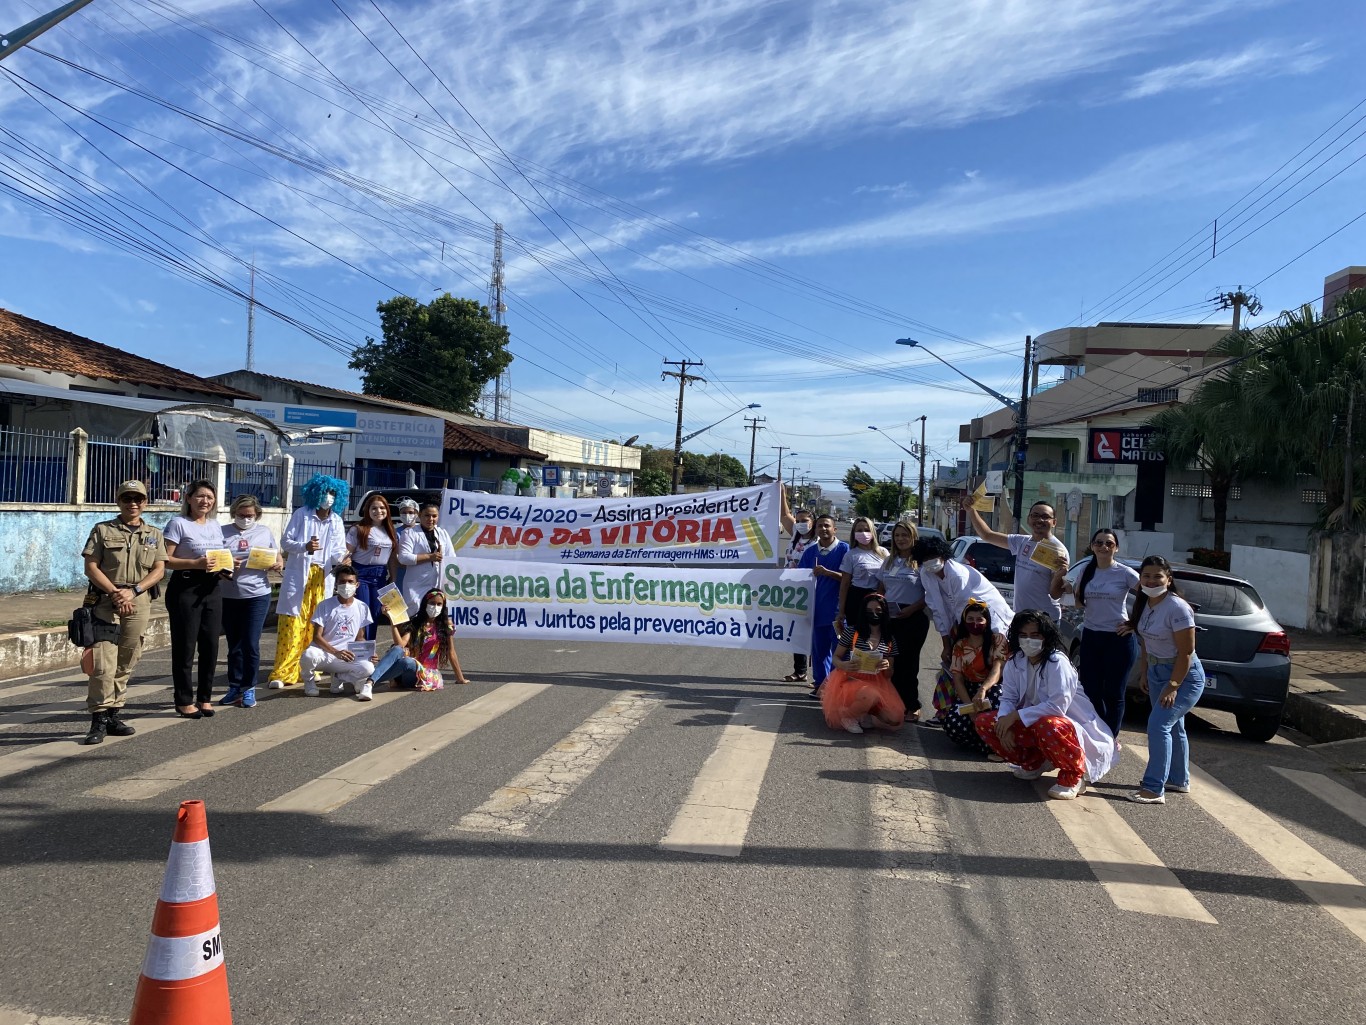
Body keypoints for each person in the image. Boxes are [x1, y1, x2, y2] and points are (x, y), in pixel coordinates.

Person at [973, 610, 1117, 800]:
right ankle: (1034, 763)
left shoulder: (1057, 663)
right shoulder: (1016, 661)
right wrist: (1004, 722)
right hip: (1036, 721)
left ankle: (1073, 775)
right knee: (986, 722)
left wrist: (1014, 717)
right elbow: (1008, 698)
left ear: (1046, 636)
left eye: (1035, 635)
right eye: (1023, 635)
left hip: (1069, 726)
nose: (1028, 640)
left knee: (1048, 724)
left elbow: (1057, 707)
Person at [79, 479, 167, 745]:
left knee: (127, 659)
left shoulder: (154, 534)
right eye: (127, 499)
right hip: (106, 601)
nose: (133, 503)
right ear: (118, 501)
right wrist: (116, 593)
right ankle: (98, 718)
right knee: (102, 663)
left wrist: (134, 591)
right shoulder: (103, 530)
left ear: (145, 503)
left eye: (138, 499)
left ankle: (115, 713)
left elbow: (159, 570)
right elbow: (91, 566)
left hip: (138, 601)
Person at [1126, 555, 1205, 805]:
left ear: (1168, 580)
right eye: (1146, 576)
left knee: (1158, 725)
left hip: (1183, 676)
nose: (1151, 580)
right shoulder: (1144, 604)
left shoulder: (1177, 608)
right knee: (1174, 726)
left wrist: (1173, 686)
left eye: (1157, 576)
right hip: (1158, 673)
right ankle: (1178, 780)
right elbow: (1147, 641)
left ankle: (1153, 788)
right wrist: (1146, 670)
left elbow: (1186, 653)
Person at [267, 474, 349, 689]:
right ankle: (284, 671)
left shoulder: (337, 521)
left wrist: (342, 558)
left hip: (322, 577)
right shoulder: (302, 514)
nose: (328, 497)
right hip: (301, 574)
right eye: (325, 493)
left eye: (332, 494)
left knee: (316, 623)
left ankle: (309, 668)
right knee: (293, 623)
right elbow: (286, 542)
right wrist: (305, 546)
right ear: (316, 493)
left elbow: (339, 549)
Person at [1062, 528, 1140, 738]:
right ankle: (1094, 734)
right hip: (1091, 636)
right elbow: (1079, 604)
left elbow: (1149, 596)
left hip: (1119, 638)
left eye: (1109, 543)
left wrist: (1135, 623)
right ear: (1092, 546)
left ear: (1116, 548)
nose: (1104, 547)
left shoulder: (1124, 573)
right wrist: (1068, 591)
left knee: (1114, 693)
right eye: (1099, 543)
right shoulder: (1086, 570)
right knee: (1090, 691)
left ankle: (1109, 739)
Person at [163, 479, 228, 718]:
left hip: (212, 587)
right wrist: (195, 563)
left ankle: (205, 698)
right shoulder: (178, 524)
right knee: (185, 646)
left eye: (209, 497)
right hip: (185, 587)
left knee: (211, 645)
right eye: (200, 496)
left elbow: (218, 556)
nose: (205, 501)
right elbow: (165, 560)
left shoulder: (215, 525)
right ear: (188, 498)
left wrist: (227, 567)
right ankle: (183, 700)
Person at [960, 497, 1069, 621]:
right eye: (1035, 515)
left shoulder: (1057, 551)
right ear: (1028, 519)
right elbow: (987, 535)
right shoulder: (1021, 541)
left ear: (1054, 522)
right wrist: (971, 511)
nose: (1039, 520)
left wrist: (1059, 575)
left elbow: (1055, 594)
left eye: (1045, 517)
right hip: (1020, 616)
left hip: (1045, 619)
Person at [218, 495, 281, 709]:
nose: (245, 519)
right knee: (234, 645)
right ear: (234, 513)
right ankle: (234, 686)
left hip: (257, 595)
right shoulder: (222, 532)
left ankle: (249, 687)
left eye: (250, 516)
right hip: (229, 595)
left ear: (257, 515)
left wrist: (276, 564)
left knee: (250, 644)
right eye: (241, 515)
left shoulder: (263, 532)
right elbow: (215, 559)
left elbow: (277, 556)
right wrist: (226, 565)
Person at [912, 534, 1013, 664]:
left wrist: (960, 644)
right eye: (926, 559)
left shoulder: (957, 575)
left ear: (943, 556)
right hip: (967, 619)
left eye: (933, 557)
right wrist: (947, 645)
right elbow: (937, 611)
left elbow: (963, 611)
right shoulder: (926, 574)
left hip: (988, 615)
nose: (930, 561)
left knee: (991, 657)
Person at [820, 591, 905, 735]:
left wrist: (887, 665)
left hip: (877, 681)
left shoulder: (889, 638)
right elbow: (836, 657)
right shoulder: (852, 632)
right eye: (869, 611)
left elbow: (890, 672)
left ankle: (864, 712)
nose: (874, 614)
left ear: (884, 612)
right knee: (870, 695)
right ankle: (847, 715)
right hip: (850, 679)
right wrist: (843, 665)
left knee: (894, 719)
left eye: (878, 610)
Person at [873, 518, 930, 718]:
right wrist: (878, 605)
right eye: (897, 535)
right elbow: (881, 587)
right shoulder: (889, 561)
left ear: (913, 537)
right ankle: (892, 703)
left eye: (905, 535)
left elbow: (930, 594)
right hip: (890, 616)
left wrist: (912, 609)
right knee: (890, 661)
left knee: (909, 662)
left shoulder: (921, 563)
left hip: (913, 617)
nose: (900, 539)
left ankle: (911, 704)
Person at [937, 599, 1009, 756]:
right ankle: (984, 745)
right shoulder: (960, 645)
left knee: (998, 703)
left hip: (991, 688)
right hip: (968, 691)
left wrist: (983, 689)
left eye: (979, 619)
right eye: (970, 619)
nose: (975, 623)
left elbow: (998, 669)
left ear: (987, 621)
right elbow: (958, 679)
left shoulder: (997, 640)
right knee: (953, 724)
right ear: (964, 621)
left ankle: (996, 744)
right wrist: (970, 708)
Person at [368, 587, 471, 691]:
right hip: (408, 670)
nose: (435, 607)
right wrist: (392, 621)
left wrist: (460, 678)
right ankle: (370, 682)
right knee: (396, 650)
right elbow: (400, 644)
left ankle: (369, 680)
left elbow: (451, 651)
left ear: (443, 607)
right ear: (425, 604)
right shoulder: (415, 623)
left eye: (439, 604)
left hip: (425, 675)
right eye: (432, 603)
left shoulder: (445, 626)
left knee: (407, 662)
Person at [299, 565, 376, 700]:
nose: (346, 585)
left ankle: (339, 676)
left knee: (368, 668)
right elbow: (317, 637)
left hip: (347, 655)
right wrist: (335, 652)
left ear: (357, 585)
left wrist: (368, 652)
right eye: (342, 581)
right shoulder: (325, 605)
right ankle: (309, 681)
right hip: (326, 653)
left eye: (350, 582)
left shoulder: (362, 607)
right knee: (308, 655)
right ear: (336, 584)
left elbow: (360, 637)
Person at [796, 514, 849, 698]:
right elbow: (799, 577)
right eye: (820, 526)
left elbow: (850, 579)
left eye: (827, 526)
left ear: (835, 529)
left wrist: (828, 573)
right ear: (815, 529)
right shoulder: (810, 552)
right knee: (819, 652)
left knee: (839, 652)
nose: (823, 529)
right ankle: (821, 685)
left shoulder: (845, 550)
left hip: (838, 613)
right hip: (816, 612)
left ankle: (837, 687)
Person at [347, 493, 398, 640]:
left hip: (380, 575)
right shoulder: (358, 529)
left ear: (387, 510)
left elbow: (392, 558)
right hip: (361, 573)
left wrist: (393, 577)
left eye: (382, 508)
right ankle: (359, 647)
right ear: (367, 510)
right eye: (373, 508)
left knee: (376, 612)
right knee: (362, 610)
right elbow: (347, 553)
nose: (378, 511)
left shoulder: (390, 530)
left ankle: (370, 647)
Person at [778, 490, 816, 683]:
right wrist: (781, 491)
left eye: (805, 520)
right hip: (793, 592)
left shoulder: (818, 540)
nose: (801, 523)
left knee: (816, 634)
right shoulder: (795, 536)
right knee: (797, 631)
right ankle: (800, 671)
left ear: (813, 522)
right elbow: (784, 515)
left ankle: (821, 675)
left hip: (814, 592)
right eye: (798, 520)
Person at [399, 501, 454, 614]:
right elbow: (404, 558)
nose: (431, 519)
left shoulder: (442, 533)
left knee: (434, 616)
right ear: (419, 515)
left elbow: (451, 558)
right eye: (427, 515)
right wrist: (430, 557)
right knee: (415, 616)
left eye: (434, 516)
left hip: (438, 583)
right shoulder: (409, 533)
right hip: (416, 584)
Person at [836, 515, 888, 632]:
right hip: (856, 598)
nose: (863, 533)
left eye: (866, 530)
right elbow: (844, 585)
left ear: (873, 532)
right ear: (854, 533)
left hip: (878, 598)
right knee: (857, 635)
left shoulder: (883, 552)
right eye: (859, 530)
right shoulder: (851, 555)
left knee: (876, 635)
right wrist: (841, 611)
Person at [392, 497, 421, 592]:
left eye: (411, 512)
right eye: (404, 512)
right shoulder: (396, 532)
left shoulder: (421, 531)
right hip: (402, 573)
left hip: (420, 573)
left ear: (417, 514)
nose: (407, 515)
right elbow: (394, 557)